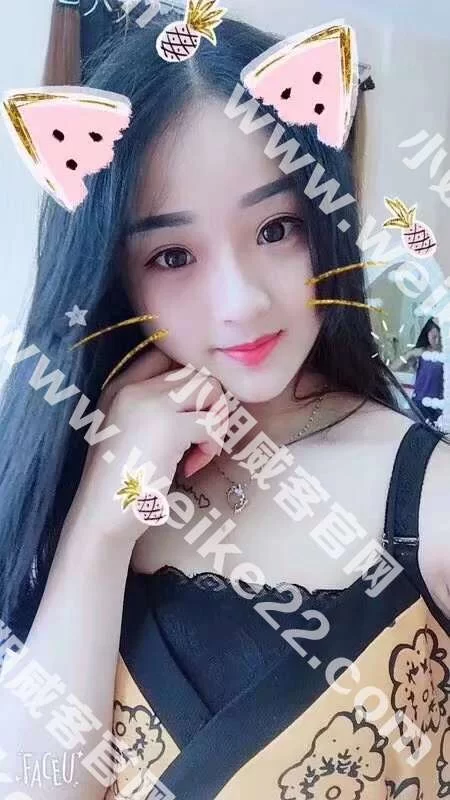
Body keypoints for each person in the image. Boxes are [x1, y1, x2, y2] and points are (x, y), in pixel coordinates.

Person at [0, 11, 449, 800]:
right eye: (173, 254)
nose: (241, 302)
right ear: (113, 274)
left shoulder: (427, 502)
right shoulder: (65, 469)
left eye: (276, 229)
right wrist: (101, 521)